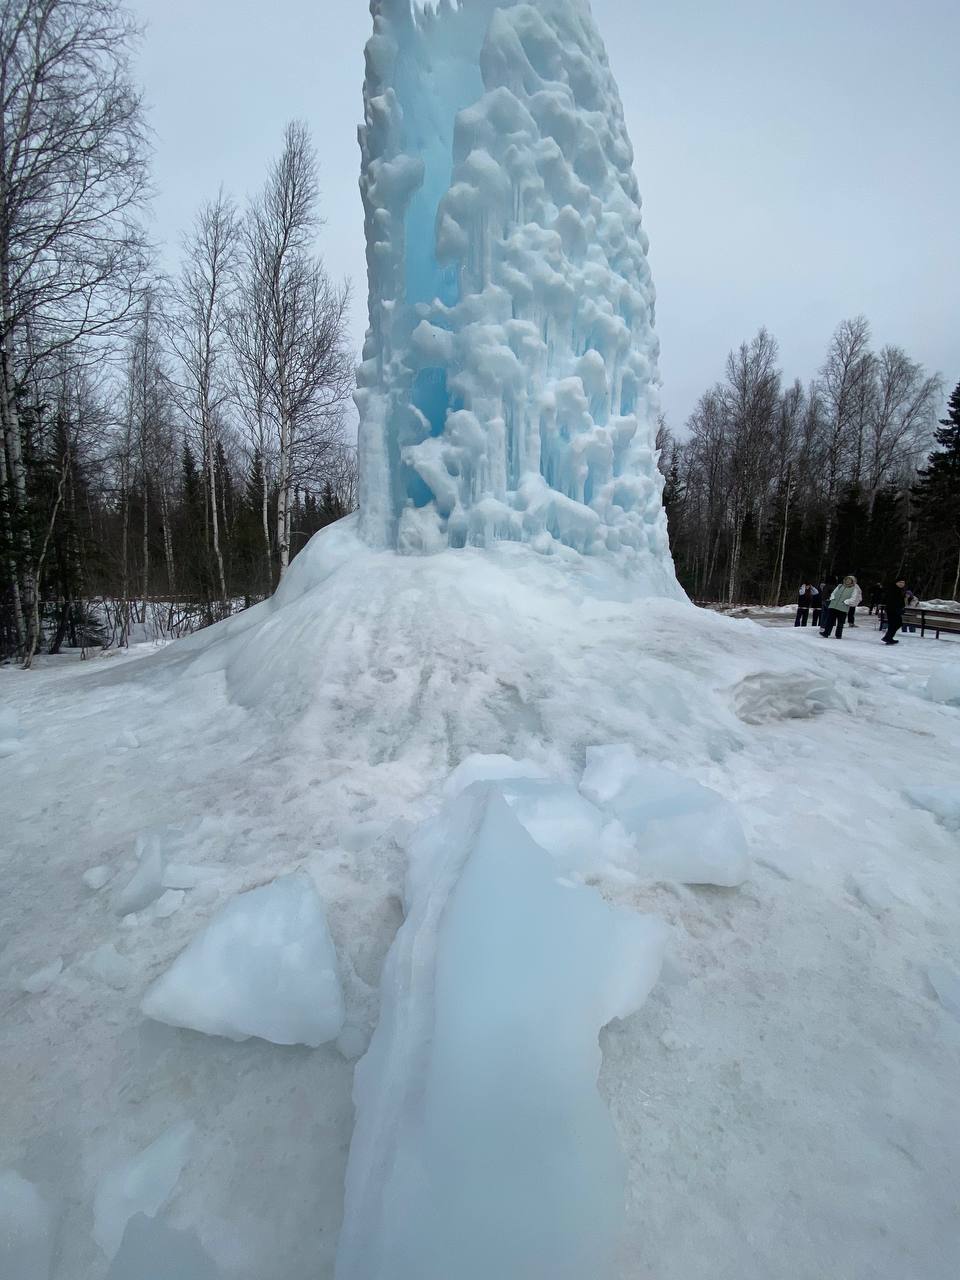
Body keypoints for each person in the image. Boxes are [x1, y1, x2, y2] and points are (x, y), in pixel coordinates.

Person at [882, 579, 906, 644]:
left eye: (903, 582)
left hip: (895, 609)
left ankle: (888, 637)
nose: (901, 584)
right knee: (896, 623)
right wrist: (897, 608)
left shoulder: (899, 590)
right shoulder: (893, 589)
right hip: (893, 609)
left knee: (895, 624)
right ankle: (888, 638)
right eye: (900, 582)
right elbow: (890, 600)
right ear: (896, 583)